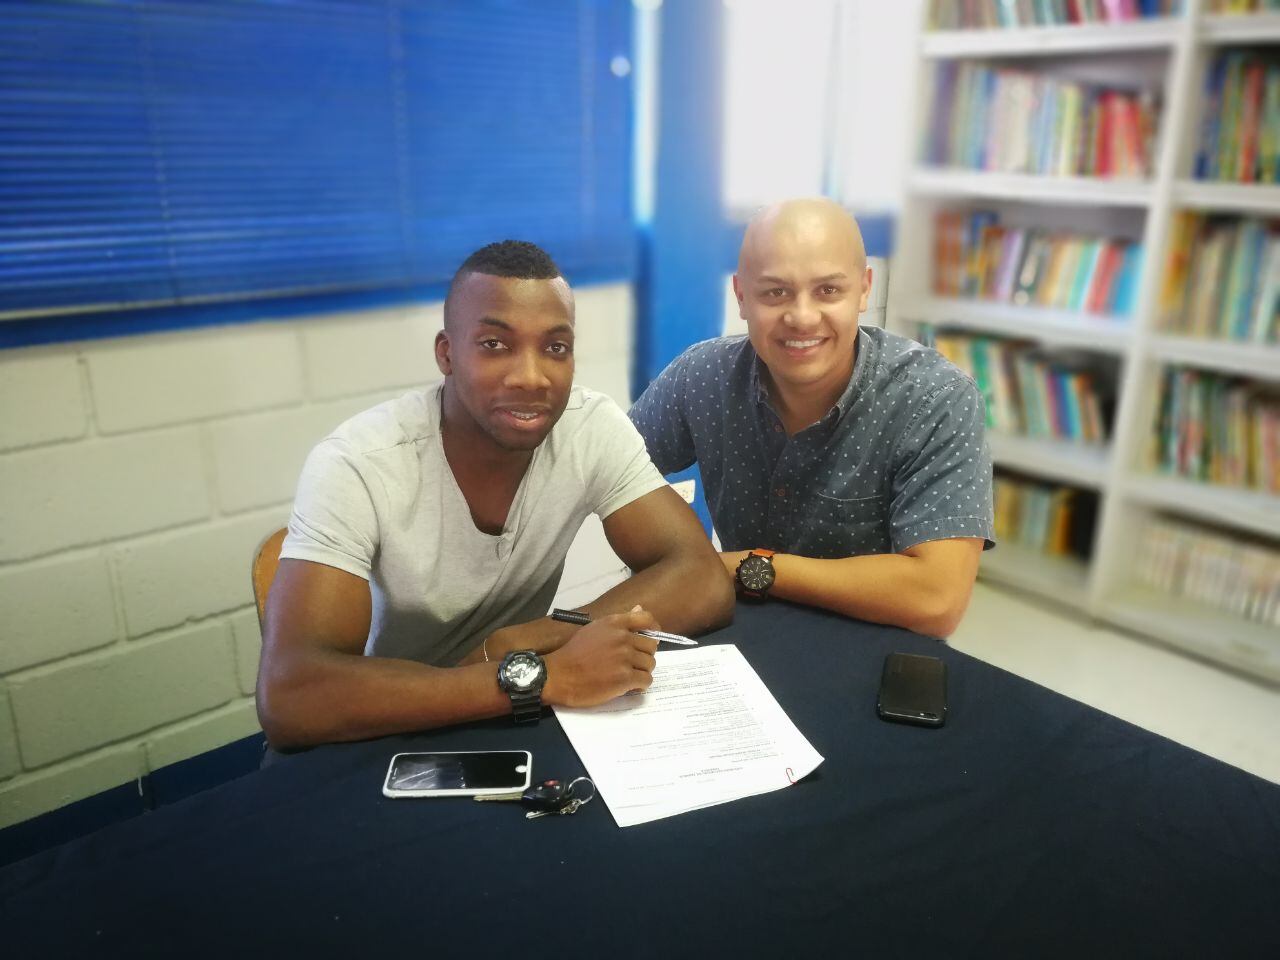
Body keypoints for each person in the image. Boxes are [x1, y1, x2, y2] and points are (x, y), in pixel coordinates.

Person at [258, 240, 734, 748]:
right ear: (446, 354)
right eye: (494, 344)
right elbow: (292, 694)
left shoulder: (589, 427)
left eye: (556, 348)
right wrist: (540, 676)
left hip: (512, 712)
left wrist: (527, 641)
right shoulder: (358, 464)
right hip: (391, 723)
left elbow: (702, 577)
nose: (531, 377)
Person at [629, 198, 993, 638]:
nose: (802, 317)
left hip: (873, 645)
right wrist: (681, 551)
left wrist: (747, 567)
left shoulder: (936, 399)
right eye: (775, 292)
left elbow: (937, 598)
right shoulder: (703, 376)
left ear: (864, 290)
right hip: (740, 634)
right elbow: (611, 469)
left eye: (828, 291)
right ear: (741, 296)